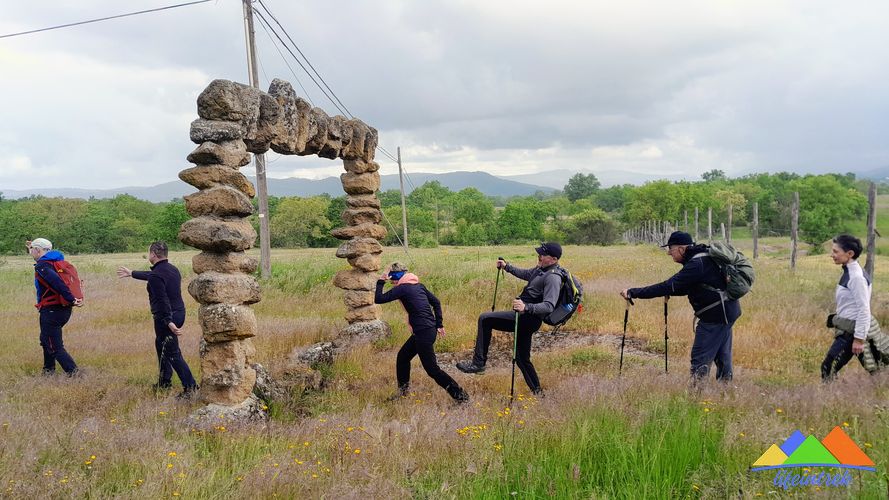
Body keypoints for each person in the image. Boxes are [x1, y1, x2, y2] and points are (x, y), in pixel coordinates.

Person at [620, 231, 741, 382]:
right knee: (723, 355)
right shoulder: (702, 258)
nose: (669, 253)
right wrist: (672, 291)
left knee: (700, 357)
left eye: (670, 249)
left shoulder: (696, 264)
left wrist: (633, 292)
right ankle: (725, 391)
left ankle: (696, 395)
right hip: (727, 311)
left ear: (681, 249)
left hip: (715, 317)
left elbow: (668, 286)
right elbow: (692, 286)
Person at [456, 242, 565, 396]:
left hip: (527, 318)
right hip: (525, 318)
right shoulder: (541, 269)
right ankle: (539, 394)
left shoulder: (553, 277)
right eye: (539, 253)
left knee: (485, 319)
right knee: (522, 359)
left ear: (553, 259)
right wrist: (507, 267)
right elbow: (526, 274)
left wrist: (526, 307)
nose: (539, 256)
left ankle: (478, 363)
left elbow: (549, 305)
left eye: (542, 254)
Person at [374, 262, 469, 403]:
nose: (391, 280)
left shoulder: (403, 288)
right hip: (425, 330)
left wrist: (381, 280)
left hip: (423, 332)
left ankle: (461, 397)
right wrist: (439, 324)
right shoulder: (418, 285)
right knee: (403, 357)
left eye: (391, 276)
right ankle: (403, 393)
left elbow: (378, 299)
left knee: (433, 370)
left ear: (397, 276)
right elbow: (436, 302)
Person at [117, 241, 197, 398]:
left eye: (149, 253)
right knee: (161, 345)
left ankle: (191, 387)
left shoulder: (156, 274)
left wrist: (168, 321)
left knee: (172, 352)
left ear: (153, 254)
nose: (149, 255)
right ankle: (164, 382)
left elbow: (162, 299)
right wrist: (132, 273)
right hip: (179, 313)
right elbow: (153, 276)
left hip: (166, 317)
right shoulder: (172, 269)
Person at [822, 234, 889, 380]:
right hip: (850, 329)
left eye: (835, 252)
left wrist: (858, 339)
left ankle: (826, 397)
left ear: (850, 254)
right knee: (877, 370)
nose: (831, 255)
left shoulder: (856, 277)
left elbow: (864, 309)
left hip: (852, 332)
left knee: (828, 366)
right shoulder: (850, 271)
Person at [28, 238, 82, 376]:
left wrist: (71, 299)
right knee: (46, 339)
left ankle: (75, 374)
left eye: (32, 249)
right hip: (63, 309)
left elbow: (57, 282)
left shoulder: (42, 266)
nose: (30, 251)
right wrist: (72, 300)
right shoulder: (56, 261)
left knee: (54, 345)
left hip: (52, 310)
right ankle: (48, 371)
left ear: (38, 250)